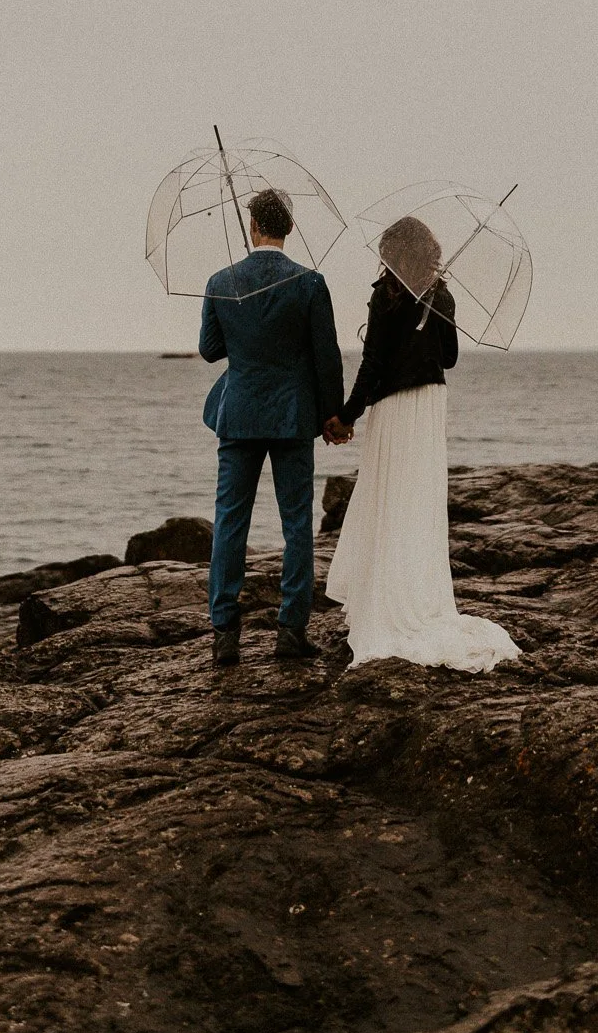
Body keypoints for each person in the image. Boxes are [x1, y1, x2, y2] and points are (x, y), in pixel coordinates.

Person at [323, 215, 519, 673]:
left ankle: (388, 601)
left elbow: (372, 365)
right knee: (417, 501)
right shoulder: (441, 295)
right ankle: (418, 596)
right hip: (429, 404)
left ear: (393, 254)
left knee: (389, 498)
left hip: (394, 406)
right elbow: (448, 357)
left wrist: (346, 416)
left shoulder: (385, 295)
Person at [199, 186, 345, 665]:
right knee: (297, 523)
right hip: (292, 415)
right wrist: (334, 414)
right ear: (288, 228)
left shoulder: (222, 280)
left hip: (238, 414)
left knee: (229, 523)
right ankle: (290, 631)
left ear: (252, 227)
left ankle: (224, 636)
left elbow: (210, 349)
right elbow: (327, 357)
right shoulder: (310, 283)